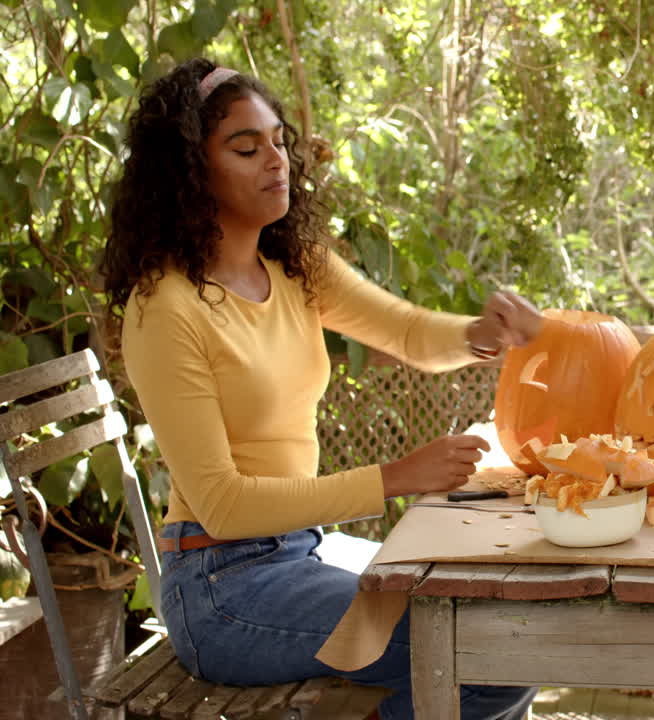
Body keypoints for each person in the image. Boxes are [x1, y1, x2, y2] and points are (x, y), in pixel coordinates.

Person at [100, 58, 540, 720]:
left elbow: (408, 332)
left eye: (279, 141)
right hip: (223, 590)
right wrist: (396, 477)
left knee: (502, 625)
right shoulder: (165, 307)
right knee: (487, 652)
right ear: (189, 171)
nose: (276, 160)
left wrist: (483, 333)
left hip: (302, 553)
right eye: (246, 148)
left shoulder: (294, 269)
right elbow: (222, 505)